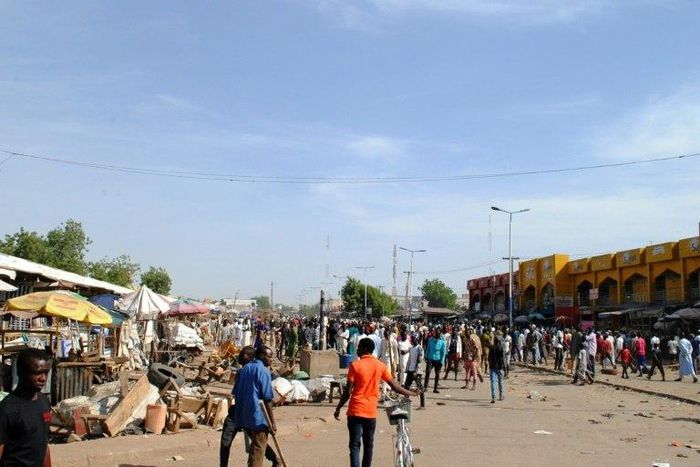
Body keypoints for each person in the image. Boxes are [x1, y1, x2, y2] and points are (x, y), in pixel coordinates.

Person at [334, 338, 417, 467]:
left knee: (354, 445)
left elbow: (347, 392)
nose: (357, 349)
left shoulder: (355, 365)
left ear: (365, 349)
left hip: (355, 411)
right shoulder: (380, 366)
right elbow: (395, 387)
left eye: (359, 347)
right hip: (370, 413)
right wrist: (412, 393)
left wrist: (338, 408)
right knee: (368, 446)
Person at [0, 348, 53, 467]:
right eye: (37, 372)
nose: (43, 378)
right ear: (20, 372)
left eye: (46, 372)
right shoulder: (7, 409)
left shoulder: (44, 402)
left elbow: (43, 445)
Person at [233, 345, 280, 467]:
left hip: (245, 415)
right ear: (262, 356)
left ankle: (275, 461)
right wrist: (272, 422)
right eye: (269, 357)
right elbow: (267, 399)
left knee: (255, 446)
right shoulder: (263, 371)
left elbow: (236, 393)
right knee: (258, 448)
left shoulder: (244, 370)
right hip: (259, 416)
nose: (271, 360)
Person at [403, 333, 425, 409]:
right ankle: (406, 403)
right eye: (411, 338)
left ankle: (422, 405)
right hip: (410, 370)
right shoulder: (412, 348)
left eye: (413, 339)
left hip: (417, 372)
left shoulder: (420, 349)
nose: (412, 340)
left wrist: (416, 371)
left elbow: (420, 361)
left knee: (420, 387)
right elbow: (409, 359)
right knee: (406, 387)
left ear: (417, 339)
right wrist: (407, 369)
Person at [423, 328, 446, 393]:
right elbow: (428, 349)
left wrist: (442, 361)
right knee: (427, 372)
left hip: (438, 360)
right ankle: (425, 387)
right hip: (430, 358)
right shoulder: (430, 340)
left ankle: (435, 388)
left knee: (437, 374)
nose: (436, 334)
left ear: (439, 334)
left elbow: (443, 352)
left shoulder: (442, 342)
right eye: (435, 332)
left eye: (438, 333)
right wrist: (426, 356)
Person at [489, 331, 505, 403]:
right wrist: (504, 367)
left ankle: (493, 397)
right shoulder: (501, 348)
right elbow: (503, 359)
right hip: (500, 367)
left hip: (492, 366)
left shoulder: (491, 348)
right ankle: (501, 395)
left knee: (493, 382)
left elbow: (489, 358)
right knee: (500, 381)